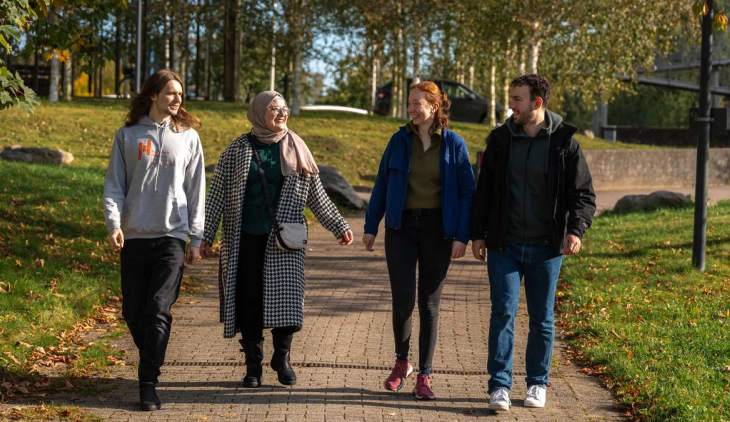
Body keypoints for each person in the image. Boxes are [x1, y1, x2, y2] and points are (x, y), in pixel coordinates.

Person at [202, 91, 353, 388]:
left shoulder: (297, 147)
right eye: (274, 109)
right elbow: (217, 193)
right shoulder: (237, 149)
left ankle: (282, 358)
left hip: (285, 240)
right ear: (259, 112)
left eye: (285, 108)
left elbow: (316, 195)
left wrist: (339, 226)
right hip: (244, 239)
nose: (282, 114)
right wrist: (207, 235)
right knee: (250, 302)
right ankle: (253, 367)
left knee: (288, 300)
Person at [470, 74, 596, 412]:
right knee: (503, 314)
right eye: (512, 98)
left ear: (536, 104)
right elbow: (484, 191)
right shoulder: (499, 140)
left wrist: (575, 230)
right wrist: (478, 233)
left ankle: (537, 383)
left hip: (546, 247)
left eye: (517, 99)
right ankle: (499, 385)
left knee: (542, 319)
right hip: (504, 245)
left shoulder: (565, 141)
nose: (511, 105)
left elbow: (582, 194)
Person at [363, 81, 475, 400]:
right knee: (402, 301)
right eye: (409, 103)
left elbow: (468, 193)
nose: (411, 108)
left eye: (417, 103)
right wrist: (372, 226)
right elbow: (382, 185)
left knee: (429, 304)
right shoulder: (398, 141)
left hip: (438, 230)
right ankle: (402, 363)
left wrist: (462, 236)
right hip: (400, 229)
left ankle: (424, 374)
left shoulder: (454, 144)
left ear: (434, 107)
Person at [102, 70, 205, 411]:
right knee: (133, 311)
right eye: (171, 93)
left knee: (158, 309)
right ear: (153, 95)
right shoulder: (128, 135)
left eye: (180, 94)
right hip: (134, 235)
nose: (177, 100)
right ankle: (151, 361)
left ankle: (148, 382)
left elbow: (196, 190)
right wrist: (114, 223)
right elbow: (115, 184)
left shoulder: (188, 136)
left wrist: (196, 237)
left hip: (171, 236)